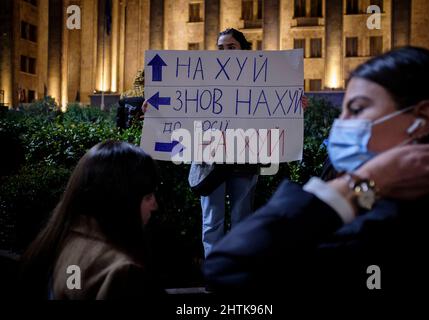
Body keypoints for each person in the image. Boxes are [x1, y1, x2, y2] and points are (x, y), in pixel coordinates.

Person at [203, 46, 429, 297]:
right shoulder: (357, 209)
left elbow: (229, 268)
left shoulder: (369, 227)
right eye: (342, 112)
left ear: (422, 119)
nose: (341, 124)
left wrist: (361, 183)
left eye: (356, 109)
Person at [20, 141, 160, 299]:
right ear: (120, 199)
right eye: (148, 196)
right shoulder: (122, 273)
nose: (155, 205)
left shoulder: (59, 241)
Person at [189, 28, 259, 258]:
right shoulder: (202, 79)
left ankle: (236, 273)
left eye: (232, 47)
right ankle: (215, 273)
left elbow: (274, 110)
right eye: (221, 48)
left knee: (241, 219)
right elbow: (183, 107)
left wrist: (294, 105)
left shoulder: (259, 80)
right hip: (210, 159)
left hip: (244, 156)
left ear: (244, 50)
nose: (226, 53)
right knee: (212, 221)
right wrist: (157, 109)